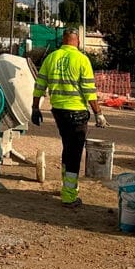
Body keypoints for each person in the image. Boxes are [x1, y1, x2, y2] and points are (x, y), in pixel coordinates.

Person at [30, 31, 105, 207]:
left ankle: (67, 186)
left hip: (59, 112)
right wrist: (98, 113)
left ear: (63, 40)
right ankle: (70, 195)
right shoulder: (82, 59)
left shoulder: (51, 58)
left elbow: (39, 85)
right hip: (77, 112)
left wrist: (35, 108)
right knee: (74, 154)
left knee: (67, 148)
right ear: (77, 41)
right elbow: (89, 90)